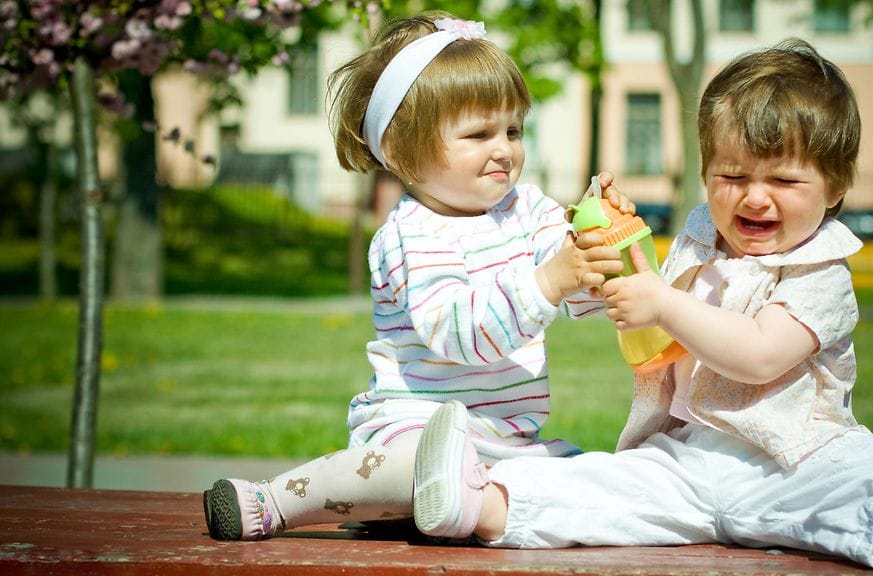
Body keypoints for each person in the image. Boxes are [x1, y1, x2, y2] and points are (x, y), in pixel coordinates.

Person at [410, 39, 873, 576]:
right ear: (704, 172)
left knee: (857, 482)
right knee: (596, 486)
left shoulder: (822, 271)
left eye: (784, 181)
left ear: (836, 186)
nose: (754, 197)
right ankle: (478, 502)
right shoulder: (701, 239)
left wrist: (663, 304)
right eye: (732, 176)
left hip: (797, 458)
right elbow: (648, 316)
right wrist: (609, 236)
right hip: (684, 456)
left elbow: (760, 354)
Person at [202, 11, 634, 541]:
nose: (504, 148)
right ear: (403, 151)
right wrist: (550, 281)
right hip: (415, 427)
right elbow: (457, 333)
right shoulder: (410, 234)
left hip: (507, 441)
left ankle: (452, 505)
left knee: (594, 475)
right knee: (398, 466)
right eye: (478, 133)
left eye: (513, 130)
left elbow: (576, 298)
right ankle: (277, 501)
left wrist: (595, 244)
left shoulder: (531, 211)